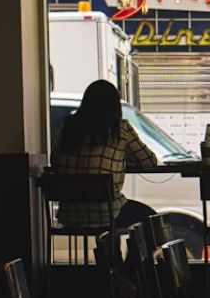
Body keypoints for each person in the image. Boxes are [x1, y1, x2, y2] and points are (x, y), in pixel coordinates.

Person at [51, 79, 158, 229]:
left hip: (69, 215)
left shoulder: (68, 126)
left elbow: (55, 162)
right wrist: (122, 158)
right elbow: (149, 162)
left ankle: (110, 251)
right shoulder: (120, 129)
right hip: (106, 215)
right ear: (115, 105)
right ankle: (120, 253)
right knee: (150, 218)